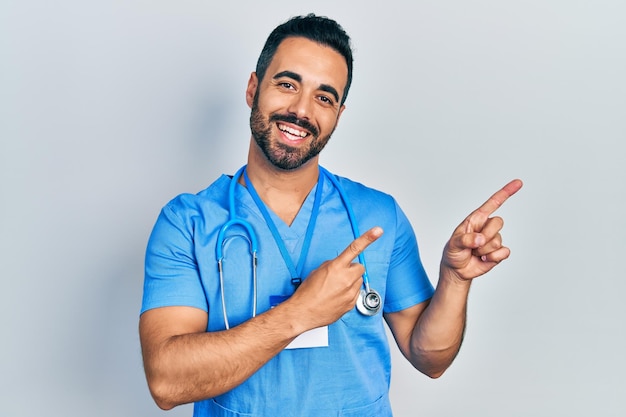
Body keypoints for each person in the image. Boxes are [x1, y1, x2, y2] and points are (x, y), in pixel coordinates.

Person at [139, 13, 523, 416]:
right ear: (253, 89)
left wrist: (455, 280)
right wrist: (300, 313)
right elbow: (167, 382)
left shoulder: (377, 215)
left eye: (324, 97)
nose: (301, 110)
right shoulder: (188, 222)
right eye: (287, 85)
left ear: (338, 114)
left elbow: (431, 359)